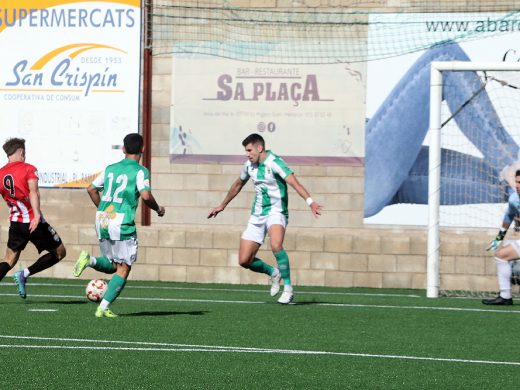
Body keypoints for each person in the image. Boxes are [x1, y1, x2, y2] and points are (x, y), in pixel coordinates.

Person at [207, 133, 322, 304]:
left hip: (277, 212)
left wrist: (310, 202)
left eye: (249, 150)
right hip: (258, 214)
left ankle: (288, 289)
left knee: (276, 245)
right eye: (246, 151)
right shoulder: (248, 166)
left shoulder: (275, 163)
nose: (247, 154)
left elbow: (294, 183)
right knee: (244, 260)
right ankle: (273, 273)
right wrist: (222, 205)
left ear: (259, 148)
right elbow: (237, 184)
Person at [72, 133, 165, 318]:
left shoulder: (110, 169)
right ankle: (103, 307)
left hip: (103, 218)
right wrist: (158, 209)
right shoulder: (140, 171)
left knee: (115, 265)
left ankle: (89, 260)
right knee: (124, 268)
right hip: (121, 221)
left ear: (123, 149)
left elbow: (90, 188)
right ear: (143, 149)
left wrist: (103, 210)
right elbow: (146, 196)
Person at [0, 138, 66, 299]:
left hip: (16, 223)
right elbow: (33, 192)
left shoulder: (1, 173)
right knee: (59, 252)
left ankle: (22, 274)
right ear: (21, 152)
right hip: (32, 222)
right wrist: (36, 215)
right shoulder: (28, 168)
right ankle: (24, 274)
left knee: (9, 260)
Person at [482, 168, 520, 305]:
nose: (517, 185)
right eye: (517, 182)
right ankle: (505, 296)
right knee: (500, 255)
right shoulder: (514, 199)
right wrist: (498, 239)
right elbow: (508, 217)